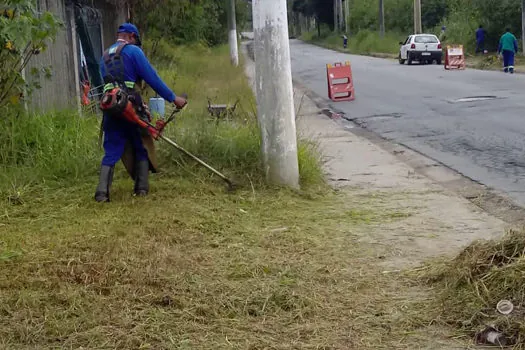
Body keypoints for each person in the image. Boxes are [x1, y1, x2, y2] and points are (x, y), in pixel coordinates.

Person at [95, 23, 187, 202]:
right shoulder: (133, 52)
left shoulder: (104, 56)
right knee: (141, 143)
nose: (136, 44)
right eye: (135, 40)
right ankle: (142, 188)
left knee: (112, 149)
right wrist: (173, 98)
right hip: (131, 107)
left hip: (111, 107)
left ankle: (101, 193)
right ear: (130, 36)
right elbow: (152, 78)